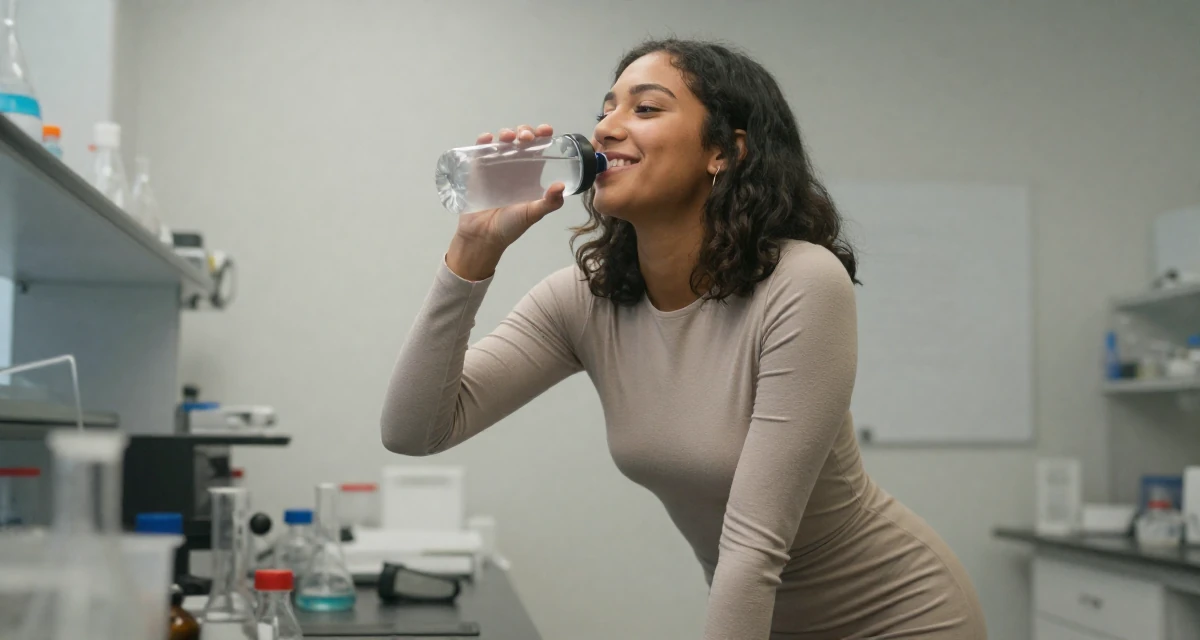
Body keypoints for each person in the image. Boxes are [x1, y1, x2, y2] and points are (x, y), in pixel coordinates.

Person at [381, 38, 987, 640]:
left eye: (645, 108)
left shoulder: (801, 282)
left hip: (898, 616)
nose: (606, 128)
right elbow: (414, 430)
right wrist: (473, 250)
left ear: (723, 151)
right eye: (605, 109)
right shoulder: (585, 299)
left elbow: (752, 547)